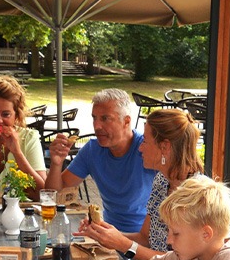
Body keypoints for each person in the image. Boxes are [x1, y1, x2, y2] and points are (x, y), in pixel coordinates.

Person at [81, 107, 203, 260]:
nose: (140, 147)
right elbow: (145, 238)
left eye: (145, 141)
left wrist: (122, 244)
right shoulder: (162, 181)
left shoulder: (197, 196)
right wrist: (105, 233)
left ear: (164, 147)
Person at [45, 89, 156, 233]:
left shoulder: (145, 149)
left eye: (105, 118)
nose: (96, 126)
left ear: (126, 121)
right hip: (108, 232)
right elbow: (54, 192)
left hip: (145, 238)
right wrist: (56, 163)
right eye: (94, 118)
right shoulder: (92, 149)